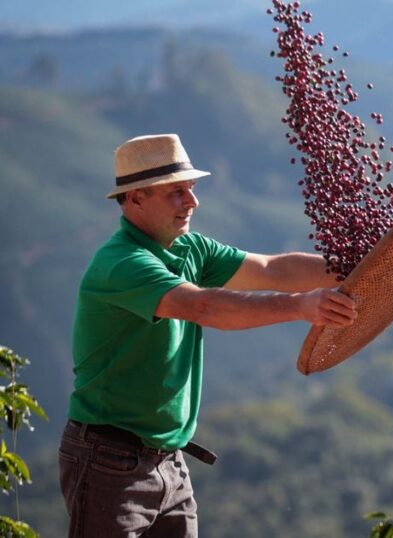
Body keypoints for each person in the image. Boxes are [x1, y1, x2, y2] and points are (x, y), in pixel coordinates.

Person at [58, 133, 358, 537]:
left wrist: (362, 267)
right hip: (108, 459)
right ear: (135, 198)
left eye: (191, 189)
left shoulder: (190, 248)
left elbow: (271, 269)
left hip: (169, 460)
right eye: (176, 192)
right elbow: (203, 307)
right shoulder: (123, 263)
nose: (192, 202)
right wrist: (300, 306)